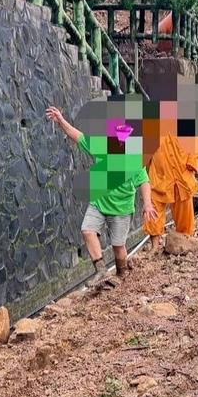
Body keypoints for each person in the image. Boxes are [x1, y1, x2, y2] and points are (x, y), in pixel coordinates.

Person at [46, 106, 158, 289]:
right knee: (87, 230)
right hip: (99, 202)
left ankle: (122, 275)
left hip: (121, 208)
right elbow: (78, 137)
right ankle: (101, 271)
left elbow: (144, 181)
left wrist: (147, 204)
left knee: (118, 246)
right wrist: (60, 120)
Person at [144, 132, 198, 252]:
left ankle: (185, 241)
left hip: (181, 173)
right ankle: (154, 247)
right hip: (159, 173)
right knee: (154, 208)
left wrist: (192, 162)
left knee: (184, 209)